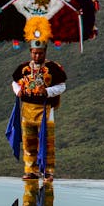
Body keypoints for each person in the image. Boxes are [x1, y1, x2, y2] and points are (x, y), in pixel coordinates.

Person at [11, 17, 66, 181]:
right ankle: (31, 171)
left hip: (45, 110)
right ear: (30, 52)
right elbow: (14, 82)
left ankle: (48, 171)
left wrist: (47, 91)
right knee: (28, 141)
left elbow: (62, 86)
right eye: (34, 53)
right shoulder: (23, 68)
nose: (37, 56)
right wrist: (18, 91)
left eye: (40, 53)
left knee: (47, 142)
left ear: (45, 52)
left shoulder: (53, 68)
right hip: (26, 109)